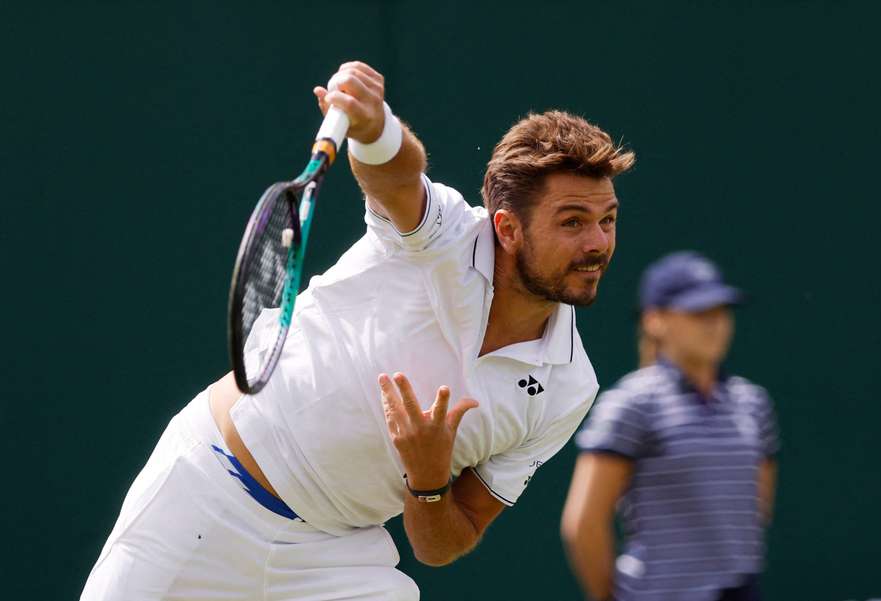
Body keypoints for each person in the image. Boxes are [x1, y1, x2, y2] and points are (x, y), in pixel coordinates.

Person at [81, 60, 634, 600]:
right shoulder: (443, 236)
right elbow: (397, 174)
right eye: (572, 222)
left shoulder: (568, 388)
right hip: (203, 490)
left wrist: (428, 478)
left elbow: (444, 543)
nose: (598, 244)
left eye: (606, 220)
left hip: (334, 557)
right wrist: (375, 129)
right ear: (507, 229)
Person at [561, 251, 779, 601]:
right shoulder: (632, 403)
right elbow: (583, 523)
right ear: (654, 320)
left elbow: (755, 509)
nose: (714, 324)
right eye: (697, 313)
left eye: (720, 312)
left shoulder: (753, 403)